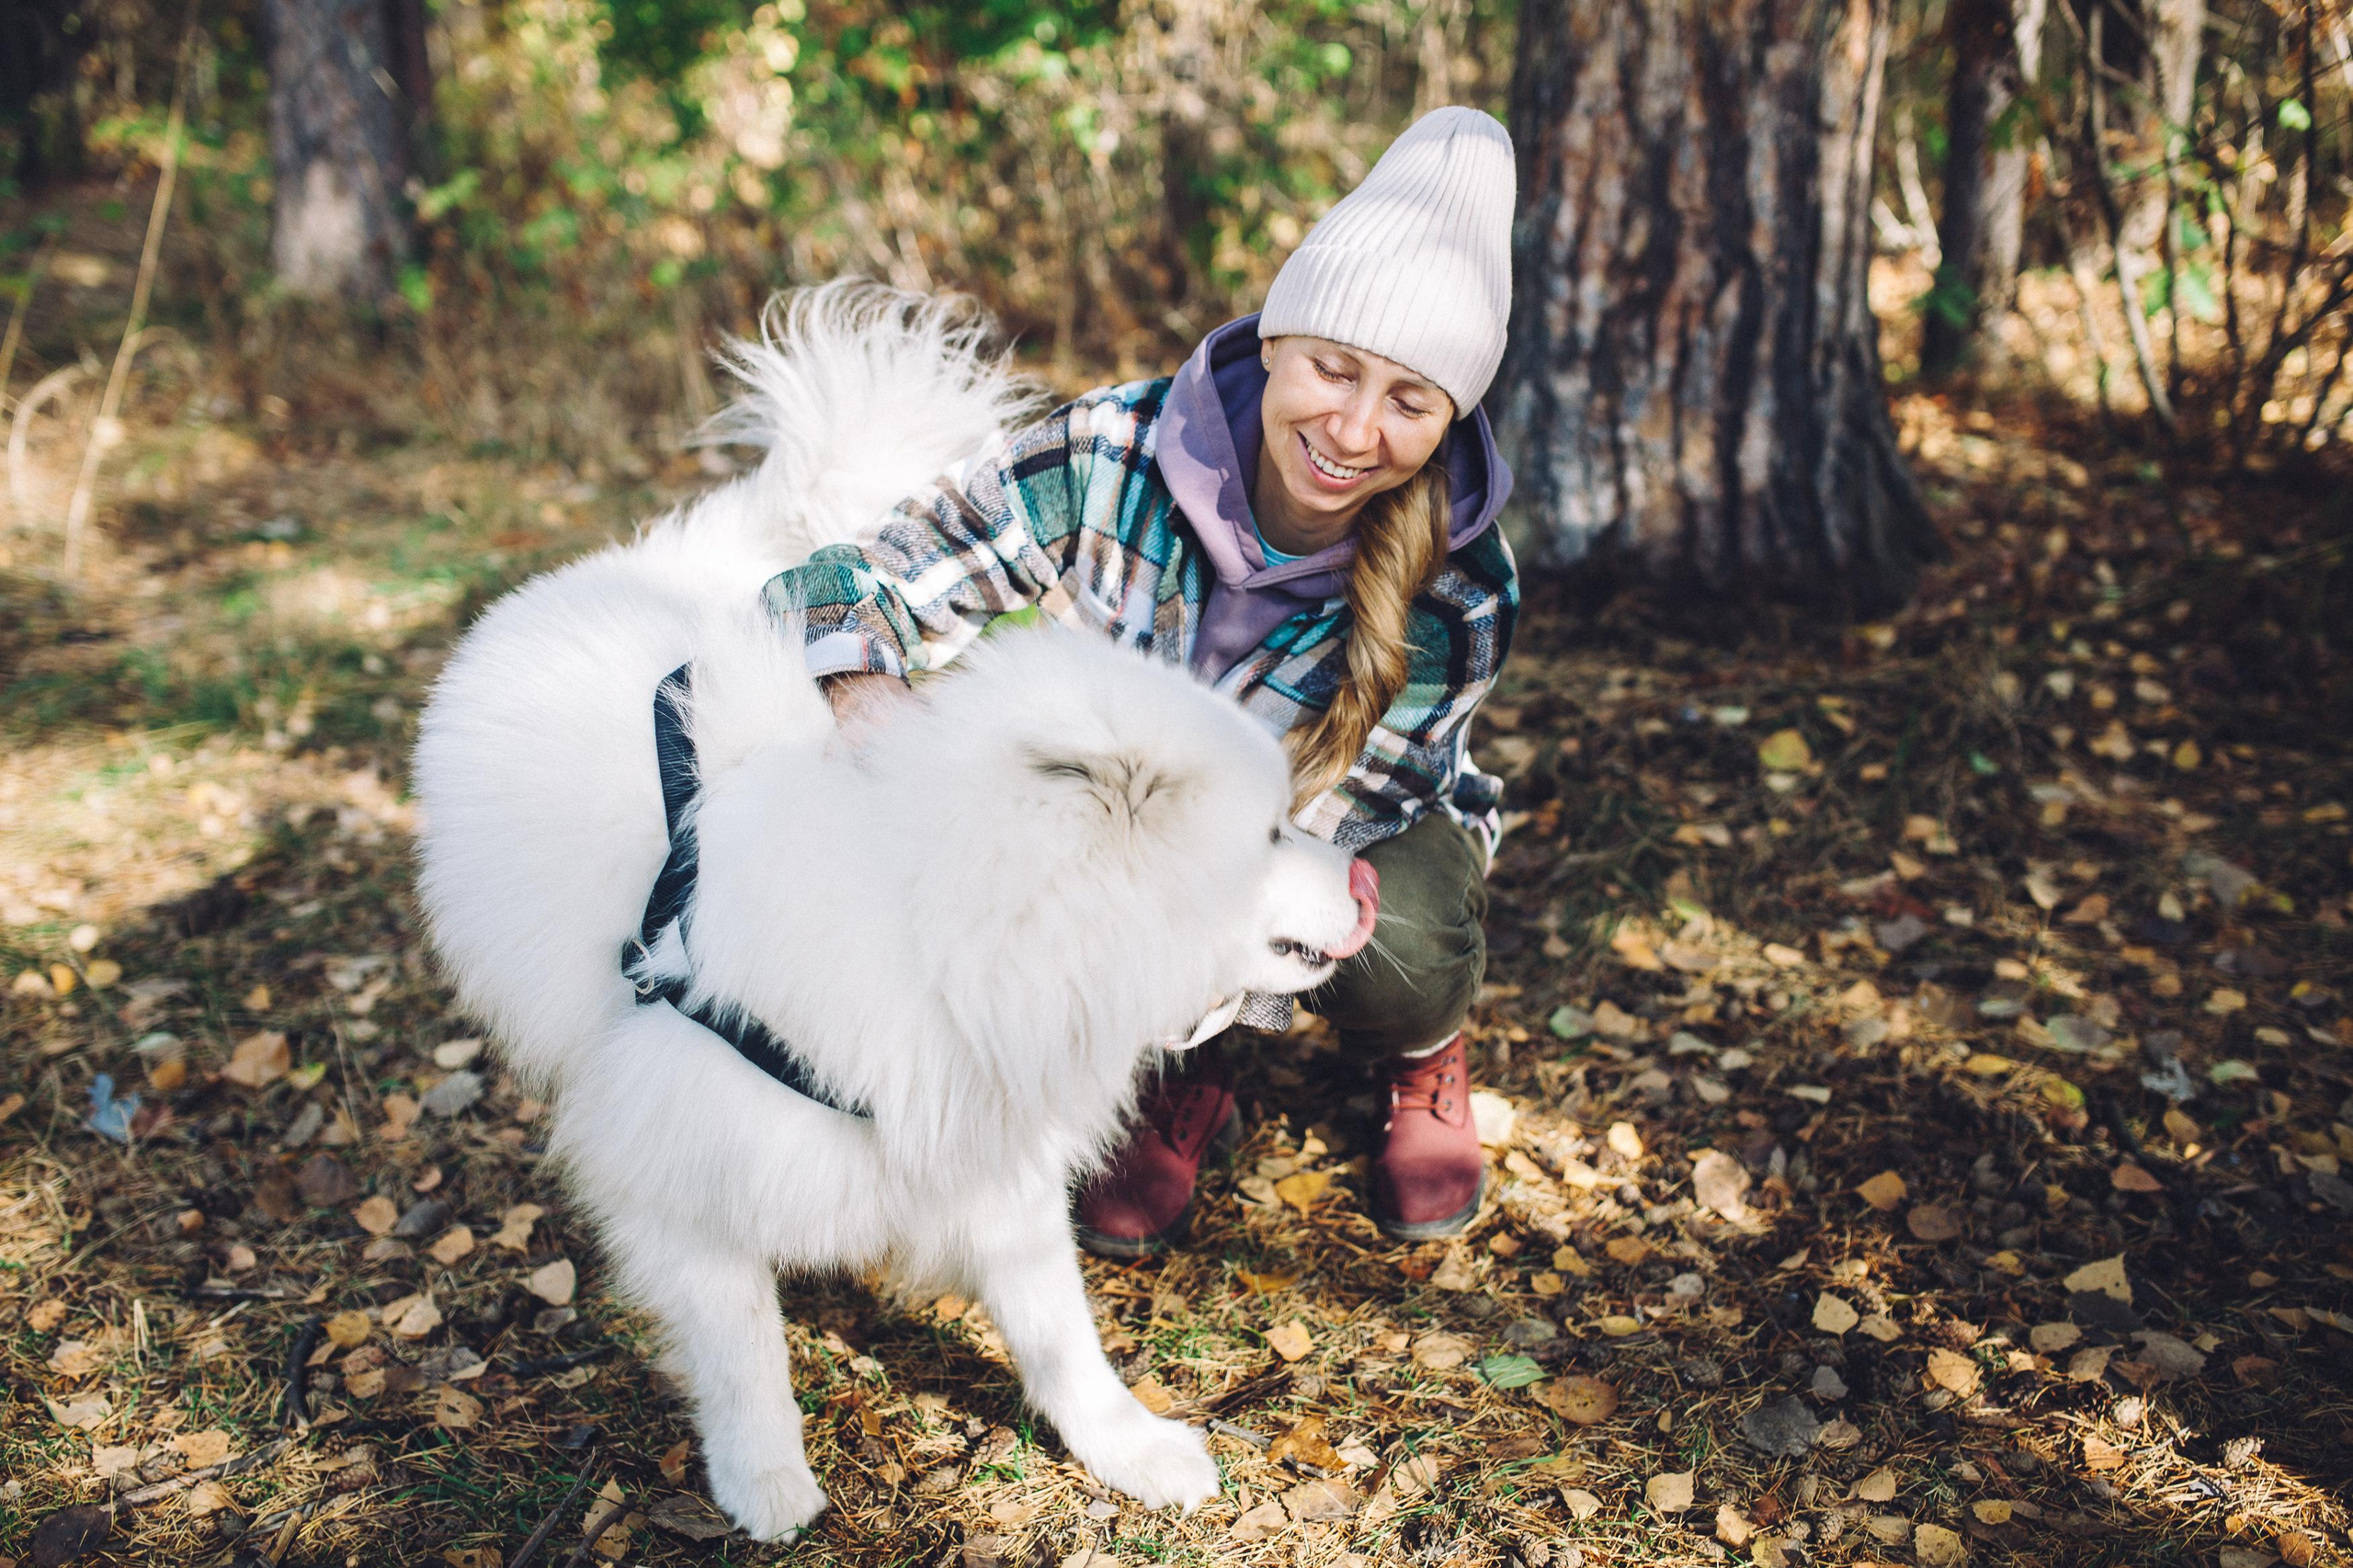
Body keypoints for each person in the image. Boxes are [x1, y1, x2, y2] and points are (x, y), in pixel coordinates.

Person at [763, 107, 1519, 1255]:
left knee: (1397, 941)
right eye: (1332, 366)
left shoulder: (1462, 588)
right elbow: (864, 572)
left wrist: (1158, 979)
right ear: (1274, 340)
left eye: (1410, 400)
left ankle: (1408, 1055)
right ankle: (1179, 1064)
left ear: (1450, 415)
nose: (1355, 429)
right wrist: (863, 691)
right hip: (1144, 819)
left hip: (1334, 833)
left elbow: (1324, 821)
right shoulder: (1111, 452)